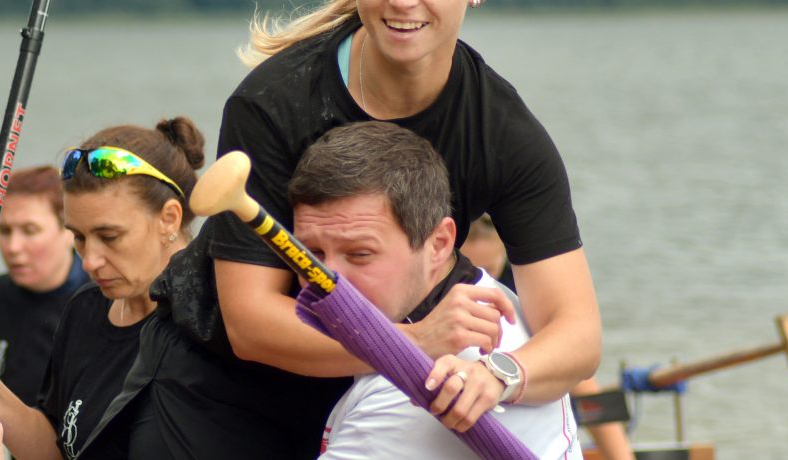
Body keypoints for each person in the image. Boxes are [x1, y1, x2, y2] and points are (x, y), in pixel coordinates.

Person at [218, 0, 599, 431]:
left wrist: (499, 374)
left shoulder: (504, 131)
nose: (402, 3)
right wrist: (414, 341)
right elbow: (248, 324)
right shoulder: (273, 101)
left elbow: (578, 334)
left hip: (367, 393)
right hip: (229, 394)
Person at [290, 121, 581, 459]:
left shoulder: (419, 394)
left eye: (359, 254)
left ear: (439, 243)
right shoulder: (491, 296)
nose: (325, 279)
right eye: (310, 253)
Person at [0, 116, 203, 460]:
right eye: (80, 237)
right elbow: (57, 447)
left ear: (169, 218)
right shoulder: (86, 306)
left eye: (109, 236)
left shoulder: (211, 325)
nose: (89, 262)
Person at [461, 215, 636, 460]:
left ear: (503, 249)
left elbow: (581, 381)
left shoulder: (524, 288)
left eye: (489, 270)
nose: (484, 286)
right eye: (472, 272)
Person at [0, 166, 89, 409]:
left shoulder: (98, 303)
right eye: (5, 231)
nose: (13, 247)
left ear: (69, 231)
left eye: (30, 231)